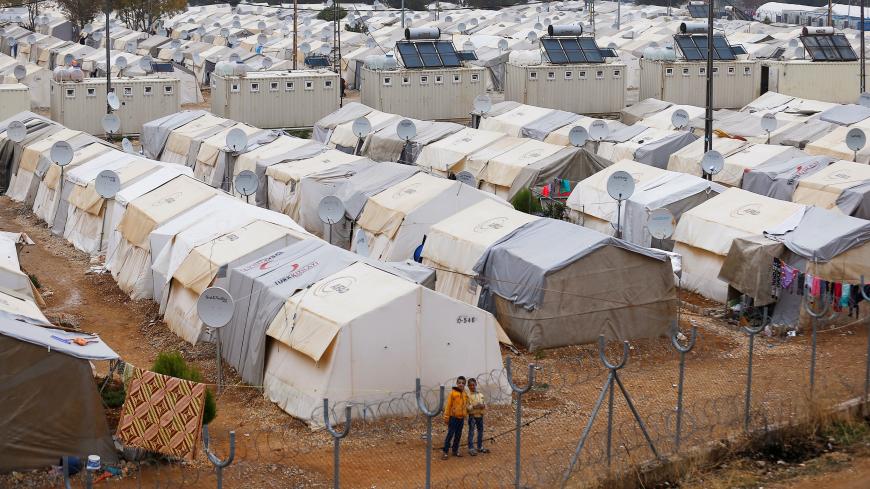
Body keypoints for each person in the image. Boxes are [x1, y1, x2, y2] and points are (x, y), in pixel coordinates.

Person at [442, 376, 468, 460]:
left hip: (461, 418)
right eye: (459, 383)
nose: (461, 384)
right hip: (453, 417)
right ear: (457, 383)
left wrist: (465, 414)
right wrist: (446, 416)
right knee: (450, 434)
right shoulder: (452, 393)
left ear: (465, 385)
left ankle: (455, 450)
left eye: (463, 383)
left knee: (458, 435)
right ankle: (445, 452)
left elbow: (465, 405)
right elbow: (448, 405)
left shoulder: (464, 394)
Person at [466, 378, 489, 455]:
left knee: (480, 431)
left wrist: (483, 406)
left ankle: (479, 447)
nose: (472, 386)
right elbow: (467, 407)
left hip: (480, 416)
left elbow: (485, 404)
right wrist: (474, 406)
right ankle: (471, 448)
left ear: (476, 384)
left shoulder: (480, 394)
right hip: (472, 416)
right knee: (471, 432)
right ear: (468, 386)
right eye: (470, 385)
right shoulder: (468, 396)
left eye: (473, 385)